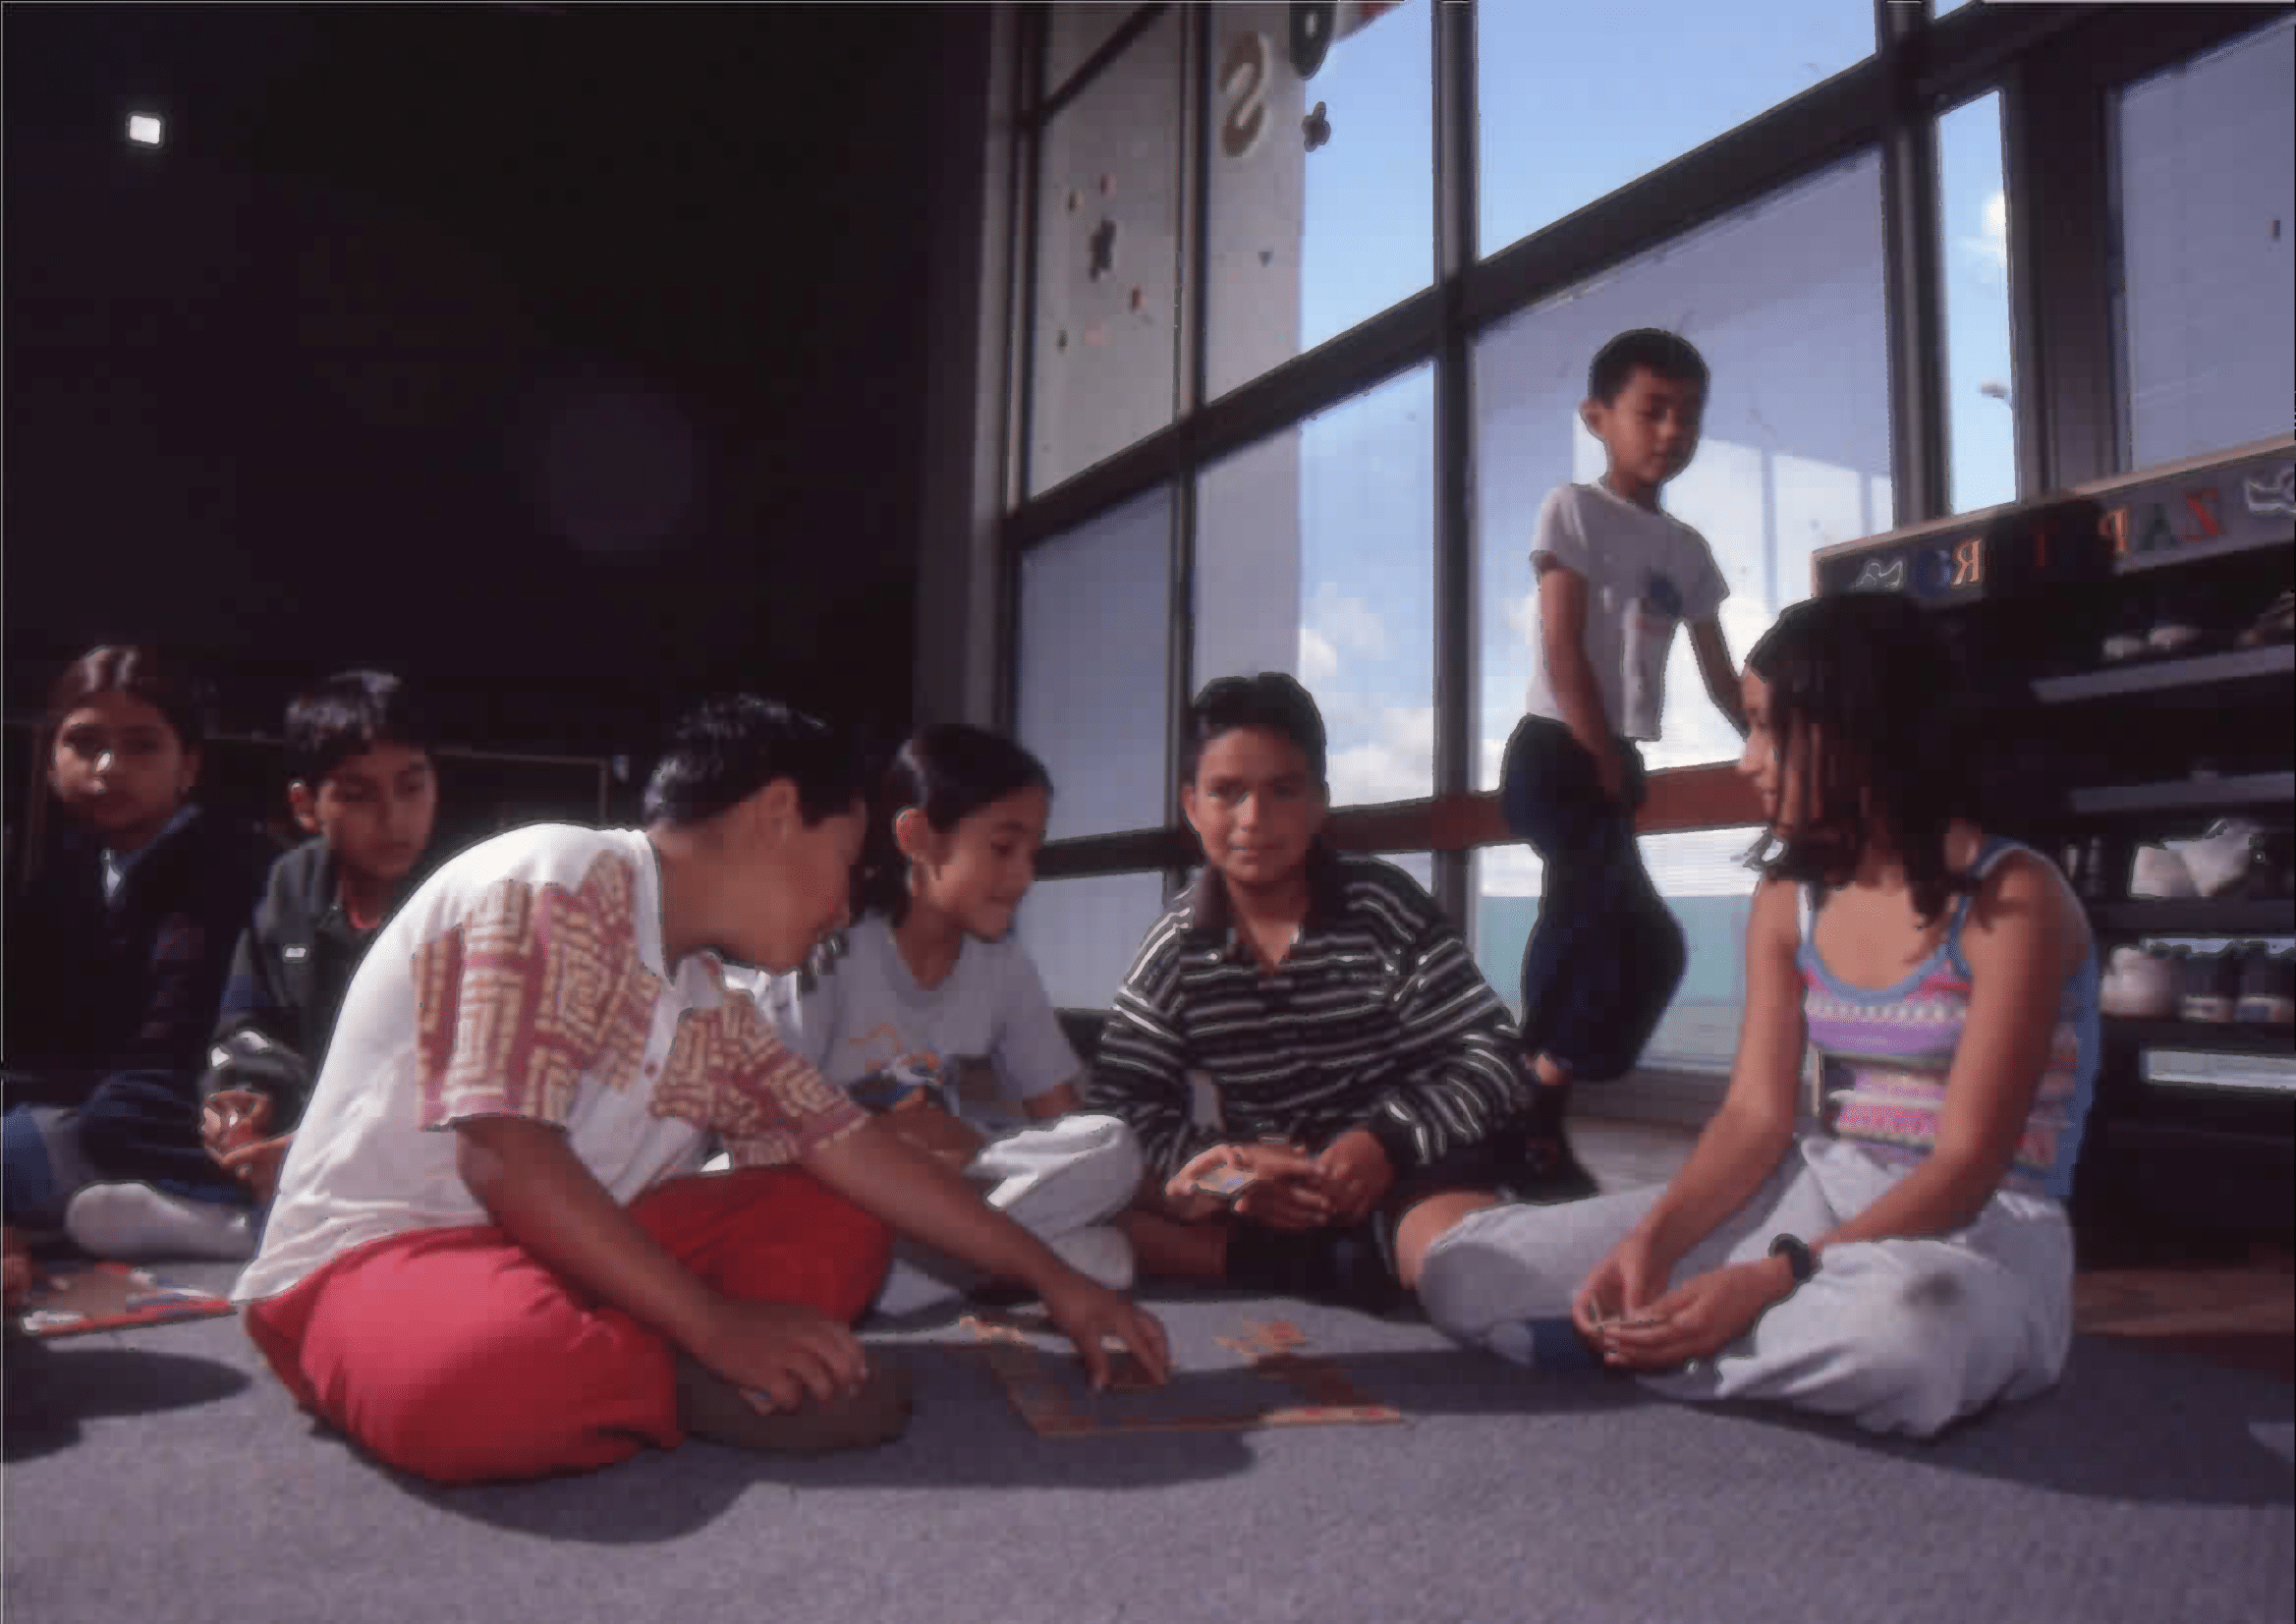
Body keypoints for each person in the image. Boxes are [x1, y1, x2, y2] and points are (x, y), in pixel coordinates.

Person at [229, 695, 1169, 1485]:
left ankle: (634, 1359)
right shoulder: (553, 874)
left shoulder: (708, 998)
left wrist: (1055, 1279)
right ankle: (685, 1373)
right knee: (475, 1381)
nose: (845, 906)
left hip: (552, 1255)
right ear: (776, 812)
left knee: (842, 1213)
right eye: (844, 865)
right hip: (376, 1257)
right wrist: (714, 1324)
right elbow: (502, 1155)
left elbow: (852, 1146)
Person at [1414, 591, 2100, 1439]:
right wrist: (1653, 1242)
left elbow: (1965, 1167)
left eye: (1769, 729)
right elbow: (1752, 1118)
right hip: (1816, 1197)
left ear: (1860, 731)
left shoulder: (2017, 897)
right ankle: (1702, 1335)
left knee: (1909, 1332)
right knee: (1464, 1272)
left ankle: (1656, 1345)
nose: (1748, 761)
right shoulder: (1787, 897)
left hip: (1972, 1235)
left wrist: (1770, 1276)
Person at [1085, 673, 1535, 1318]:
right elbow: (1120, 1110)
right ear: (1191, 806)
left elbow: (1491, 1056)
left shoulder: (1382, 908)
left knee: (1461, 1265)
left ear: (1319, 802)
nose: (1253, 819)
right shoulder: (1177, 948)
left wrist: (1386, 1141)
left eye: (1283, 790)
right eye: (1226, 792)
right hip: (1264, 1196)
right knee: (1095, 1214)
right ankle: (1314, 1266)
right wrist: (1235, 1174)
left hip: (1410, 1167)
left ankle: (1366, 1260)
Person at [731, 723, 1143, 1316]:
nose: (1025, 877)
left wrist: (967, 1146)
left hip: (941, 1194)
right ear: (918, 837)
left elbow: (1064, 1124)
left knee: (1111, 1162)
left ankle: (911, 1275)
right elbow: (759, 1141)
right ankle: (958, 1265)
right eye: (1002, 849)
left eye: (1033, 853)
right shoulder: (826, 948)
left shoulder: (1002, 965)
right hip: (836, 1198)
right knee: (1092, 1256)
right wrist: (895, 1140)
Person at [64, 670, 444, 1260]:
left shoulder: (463, 890)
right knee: (121, 1114)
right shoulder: (293, 883)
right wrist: (242, 1098)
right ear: (306, 806)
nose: (392, 817)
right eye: (357, 794)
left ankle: (265, 1224)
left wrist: (322, 1142)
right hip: (304, 1112)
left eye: (411, 788)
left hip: (404, 1127)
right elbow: (249, 1021)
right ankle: (274, 1213)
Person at [1499, 328, 1752, 1200]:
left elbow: (1722, 677)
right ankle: (1526, 1100)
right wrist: (1597, 748)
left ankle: (1530, 1104)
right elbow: (1562, 645)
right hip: (1554, 750)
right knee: (1623, 930)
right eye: (1652, 410)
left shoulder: (1686, 549)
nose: (1672, 430)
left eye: (1689, 415)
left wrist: (1770, 739)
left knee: (1606, 934)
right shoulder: (1571, 509)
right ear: (1596, 417)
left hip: (1613, 758)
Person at [2, 645, 273, 1241]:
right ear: (49, 763)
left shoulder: (227, 868)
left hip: (185, 1104)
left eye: (141, 746)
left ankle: (232, 1220)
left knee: (41, 1142)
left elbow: (170, 1048)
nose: (108, 767)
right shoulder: (63, 875)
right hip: (85, 1101)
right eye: (84, 743)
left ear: (188, 766)